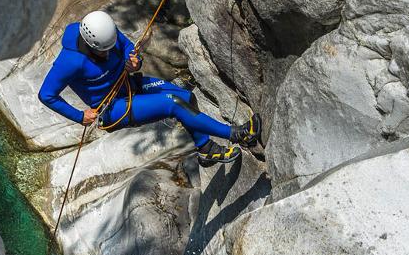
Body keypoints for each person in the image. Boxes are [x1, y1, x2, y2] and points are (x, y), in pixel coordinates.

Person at [38, 11, 261, 166]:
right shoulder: (70, 62)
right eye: (102, 52)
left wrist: (134, 61)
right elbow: (46, 94)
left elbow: (126, 46)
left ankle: (204, 149)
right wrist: (79, 116)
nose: (107, 54)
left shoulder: (105, 30)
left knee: (184, 96)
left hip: (129, 85)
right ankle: (236, 134)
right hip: (113, 108)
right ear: (89, 45)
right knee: (173, 104)